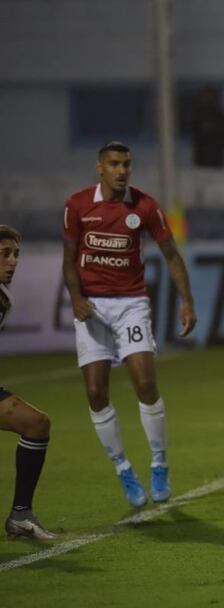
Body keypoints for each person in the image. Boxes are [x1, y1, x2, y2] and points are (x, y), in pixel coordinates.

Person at [63, 142, 197, 508]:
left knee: (145, 383)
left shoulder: (146, 206)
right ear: (99, 168)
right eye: (115, 164)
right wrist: (75, 298)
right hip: (92, 307)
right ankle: (123, 468)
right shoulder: (77, 205)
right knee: (95, 392)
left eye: (127, 164)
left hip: (131, 304)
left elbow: (171, 255)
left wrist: (187, 300)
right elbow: (70, 259)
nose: (122, 171)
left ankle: (159, 463)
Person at [0, 226, 56, 540]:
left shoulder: (2, 301)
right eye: (5, 254)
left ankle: (21, 515)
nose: (13, 261)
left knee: (37, 424)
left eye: (16, 254)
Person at [190, 86, 224, 168]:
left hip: (216, 153)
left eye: (209, 96)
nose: (207, 98)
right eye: (205, 96)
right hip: (202, 152)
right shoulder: (198, 113)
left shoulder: (218, 113)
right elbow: (194, 131)